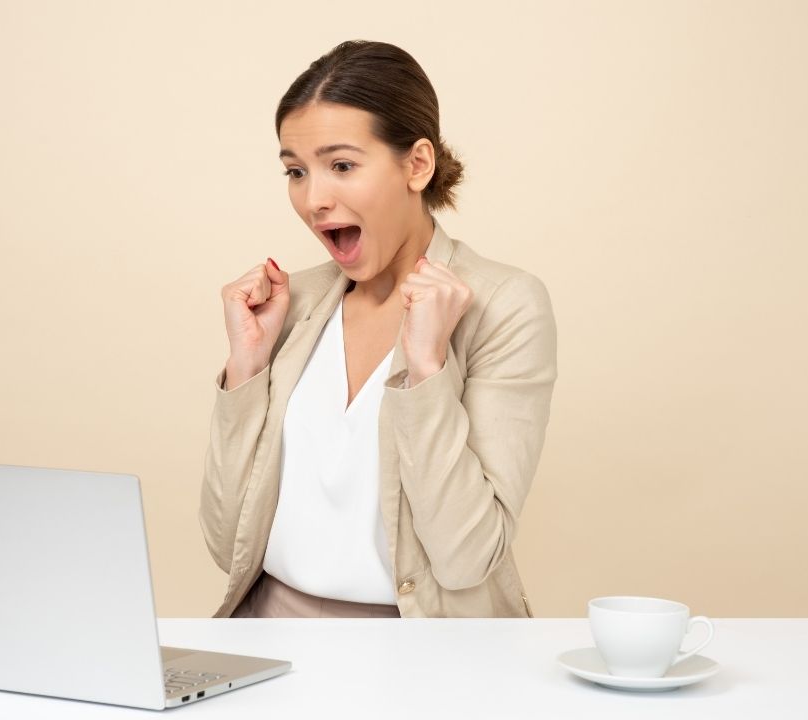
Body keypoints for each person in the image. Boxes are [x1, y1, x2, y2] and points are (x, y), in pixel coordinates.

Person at [199, 40, 557, 618]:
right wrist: (246, 369)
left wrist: (427, 371)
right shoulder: (293, 303)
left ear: (417, 164)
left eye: (342, 165)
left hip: (424, 649)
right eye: (296, 171)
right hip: (271, 633)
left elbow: (467, 557)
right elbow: (226, 543)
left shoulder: (504, 305)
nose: (315, 199)